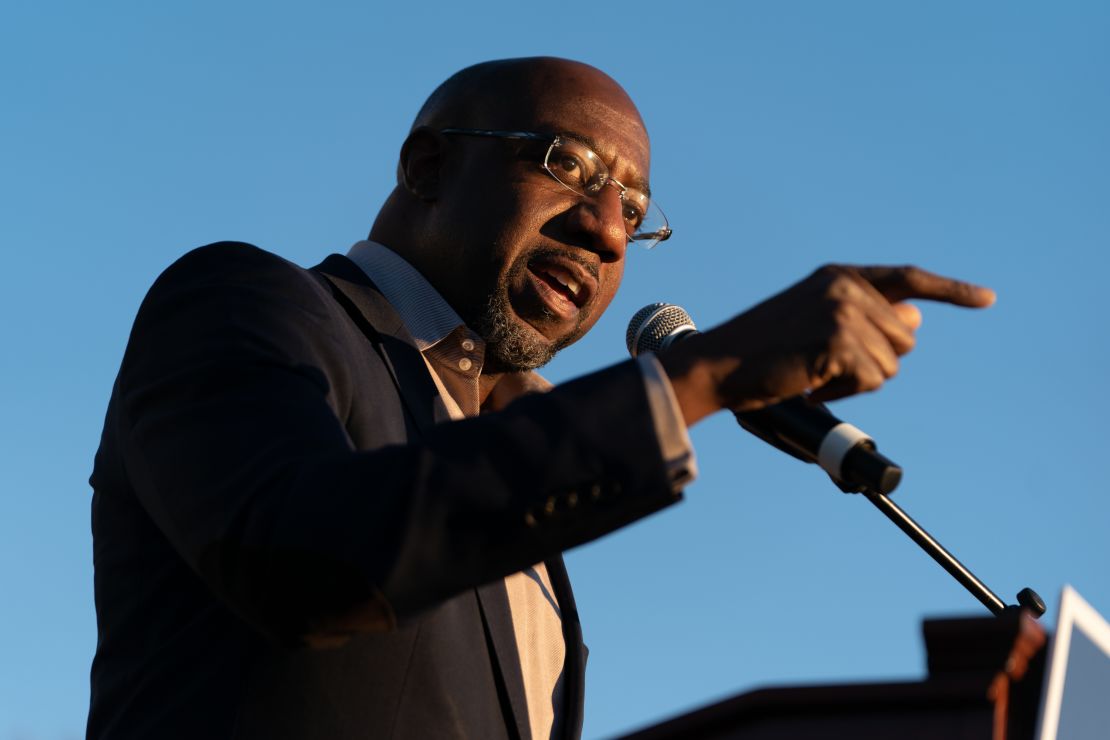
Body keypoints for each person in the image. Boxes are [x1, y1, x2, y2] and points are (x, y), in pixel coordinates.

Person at [87, 57, 995, 740]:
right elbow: (300, 559)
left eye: (635, 213)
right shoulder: (245, 300)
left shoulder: (508, 445)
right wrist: (705, 374)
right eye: (568, 164)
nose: (606, 229)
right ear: (428, 166)